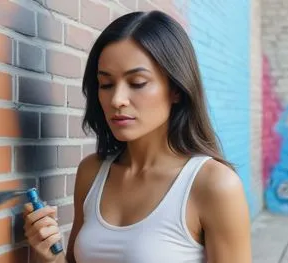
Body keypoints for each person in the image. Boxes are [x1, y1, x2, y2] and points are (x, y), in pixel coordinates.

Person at [23, 10, 252, 263]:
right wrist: (48, 256)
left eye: (137, 82)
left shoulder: (214, 185)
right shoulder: (92, 172)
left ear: (176, 89)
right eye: (106, 84)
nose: (117, 100)